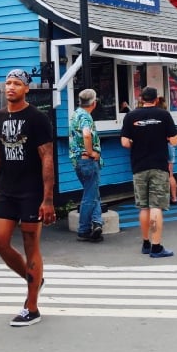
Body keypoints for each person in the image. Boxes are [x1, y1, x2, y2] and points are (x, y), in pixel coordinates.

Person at [0, 68, 55, 327]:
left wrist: (47, 199)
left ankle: (32, 307)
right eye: (8, 83)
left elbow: (47, 157)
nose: (11, 87)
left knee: (31, 244)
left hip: (31, 191)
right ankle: (34, 278)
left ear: (27, 88)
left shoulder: (37, 118)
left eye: (17, 83)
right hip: (6, 189)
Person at [121, 86, 177, 258]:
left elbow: (124, 142)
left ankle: (145, 243)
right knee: (156, 206)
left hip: (139, 166)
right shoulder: (164, 115)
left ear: (141, 98)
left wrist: (136, 144)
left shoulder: (130, 116)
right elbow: (174, 141)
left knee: (143, 206)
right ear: (156, 99)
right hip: (159, 165)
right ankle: (156, 246)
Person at [69, 88, 103, 241]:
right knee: (89, 195)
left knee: (92, 192)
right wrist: (91, 152)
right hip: (87, 160)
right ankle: (83, 229)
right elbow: (86, 134)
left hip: (77, 160)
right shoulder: (86, 117)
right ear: (93, 103)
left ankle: (97, 223)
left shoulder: (75, 114)